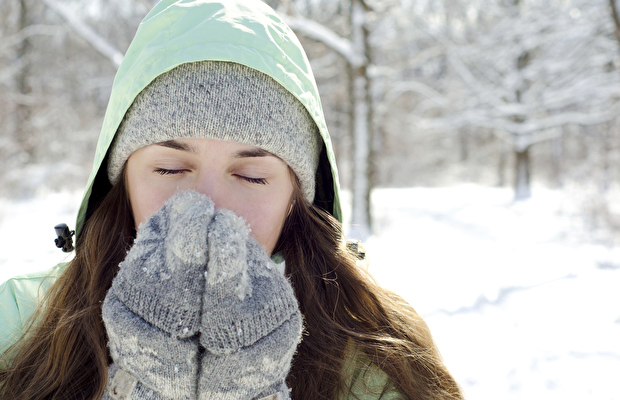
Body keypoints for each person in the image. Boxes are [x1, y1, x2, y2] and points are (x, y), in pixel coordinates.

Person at [0, 0, 464, 399]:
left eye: (250, 175)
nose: (208, 204)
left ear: (296, 200)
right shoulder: (20, 323)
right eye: (170, 169)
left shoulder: (381, 356)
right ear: (121, 182)